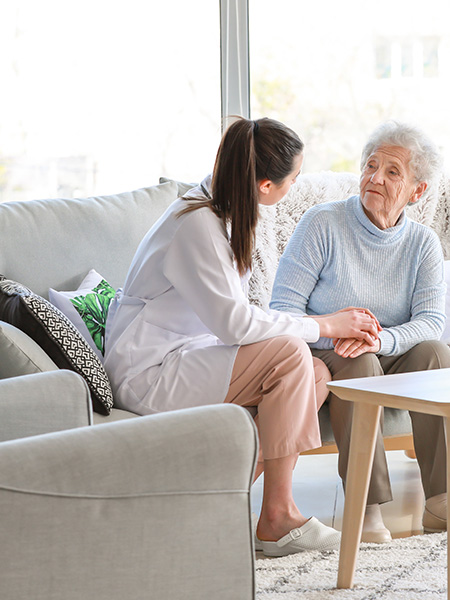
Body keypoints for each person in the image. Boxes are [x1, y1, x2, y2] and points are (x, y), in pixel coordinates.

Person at [103, 117, 381, 557]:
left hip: (183, 357)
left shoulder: (216, 213)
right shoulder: (195, 225)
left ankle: (210, 499)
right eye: (294, 178)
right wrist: (325, 324)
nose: (296, 185)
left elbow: (236, 319)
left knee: (314, 373)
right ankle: (278, 517)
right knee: (293, 355)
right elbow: (235, 325)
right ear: (266, 186)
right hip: (149, 373)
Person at [270, 120, 450, 542]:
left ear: (417, 191)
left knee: (436, 356)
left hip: (386, 347)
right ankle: (366, 507)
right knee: (359, 365)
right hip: (326, 348)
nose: (375, 177)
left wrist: (380, 339)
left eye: (392, 172)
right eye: (371, 165)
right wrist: (336, 335)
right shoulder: (322, 223)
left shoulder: (422, 243)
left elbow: (431, 321)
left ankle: (442, 502)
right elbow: (282, 311)